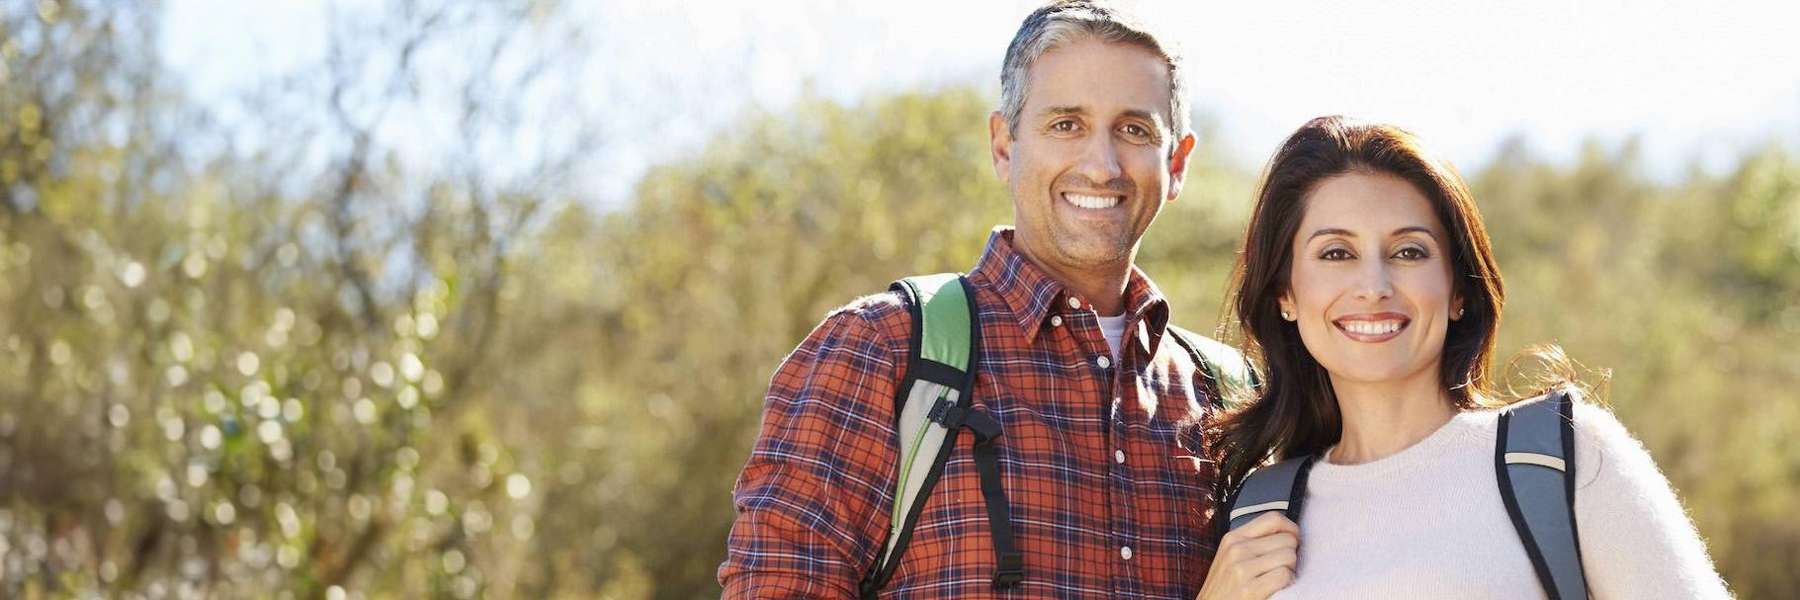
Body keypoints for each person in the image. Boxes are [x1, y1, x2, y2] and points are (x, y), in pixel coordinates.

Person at [718, 2, 1242, 597]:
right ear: (1003, 145)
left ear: (1175, 164)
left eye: (1134, 130)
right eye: (1065, 125)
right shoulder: (878, 350)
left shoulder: (1235, 399)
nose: (1101, 166)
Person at [1195, 116, 1730, 599]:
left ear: (1458, 291)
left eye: (1409, 252)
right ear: (1285, 294)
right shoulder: (1259, 514)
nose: (1374, 285)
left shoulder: (1563, 458)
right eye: (1337, 253)